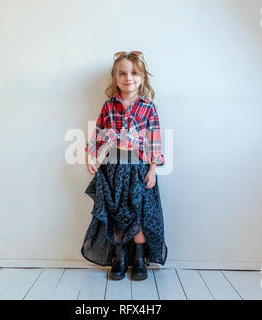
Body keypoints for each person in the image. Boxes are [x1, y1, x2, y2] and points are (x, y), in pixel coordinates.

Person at [81, 51, 168, 281]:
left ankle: (139, 259)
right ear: (115, 77)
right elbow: (99, 133)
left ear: (142, 77)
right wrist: (91, 156)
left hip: (138, 170)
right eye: (122, 73)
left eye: (134, 73)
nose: (128, 77)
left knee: (136, 215)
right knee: (118, 215)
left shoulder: (147, 107)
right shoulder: (109, 106)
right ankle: (119, 258)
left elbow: (154, 140)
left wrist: (152, 169)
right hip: (113, 169)